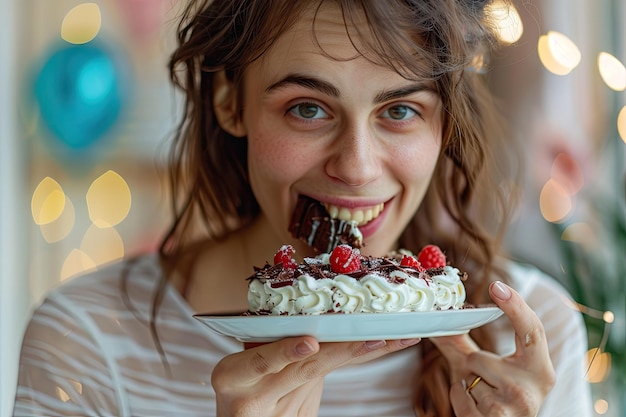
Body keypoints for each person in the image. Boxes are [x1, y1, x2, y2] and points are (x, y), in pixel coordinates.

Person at [14, 0, 592, 416]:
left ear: (444, 125)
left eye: (400, 111)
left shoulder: (530, 343)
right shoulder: (88, 337)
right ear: (229, 102)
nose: (358, 167)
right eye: (308, 109)